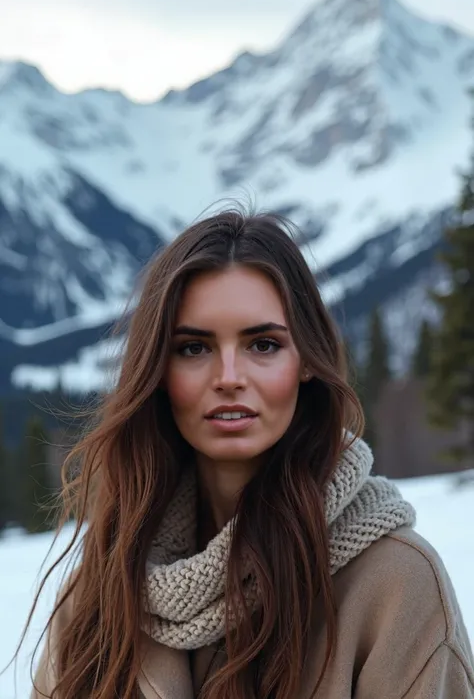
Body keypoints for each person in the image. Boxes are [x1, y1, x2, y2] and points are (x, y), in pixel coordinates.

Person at [25, 210, 473, 699]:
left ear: (306, 362)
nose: (229, 376)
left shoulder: (397, 586)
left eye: (263, 344)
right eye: (194, 348)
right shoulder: (105, 585)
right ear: (158, 371)